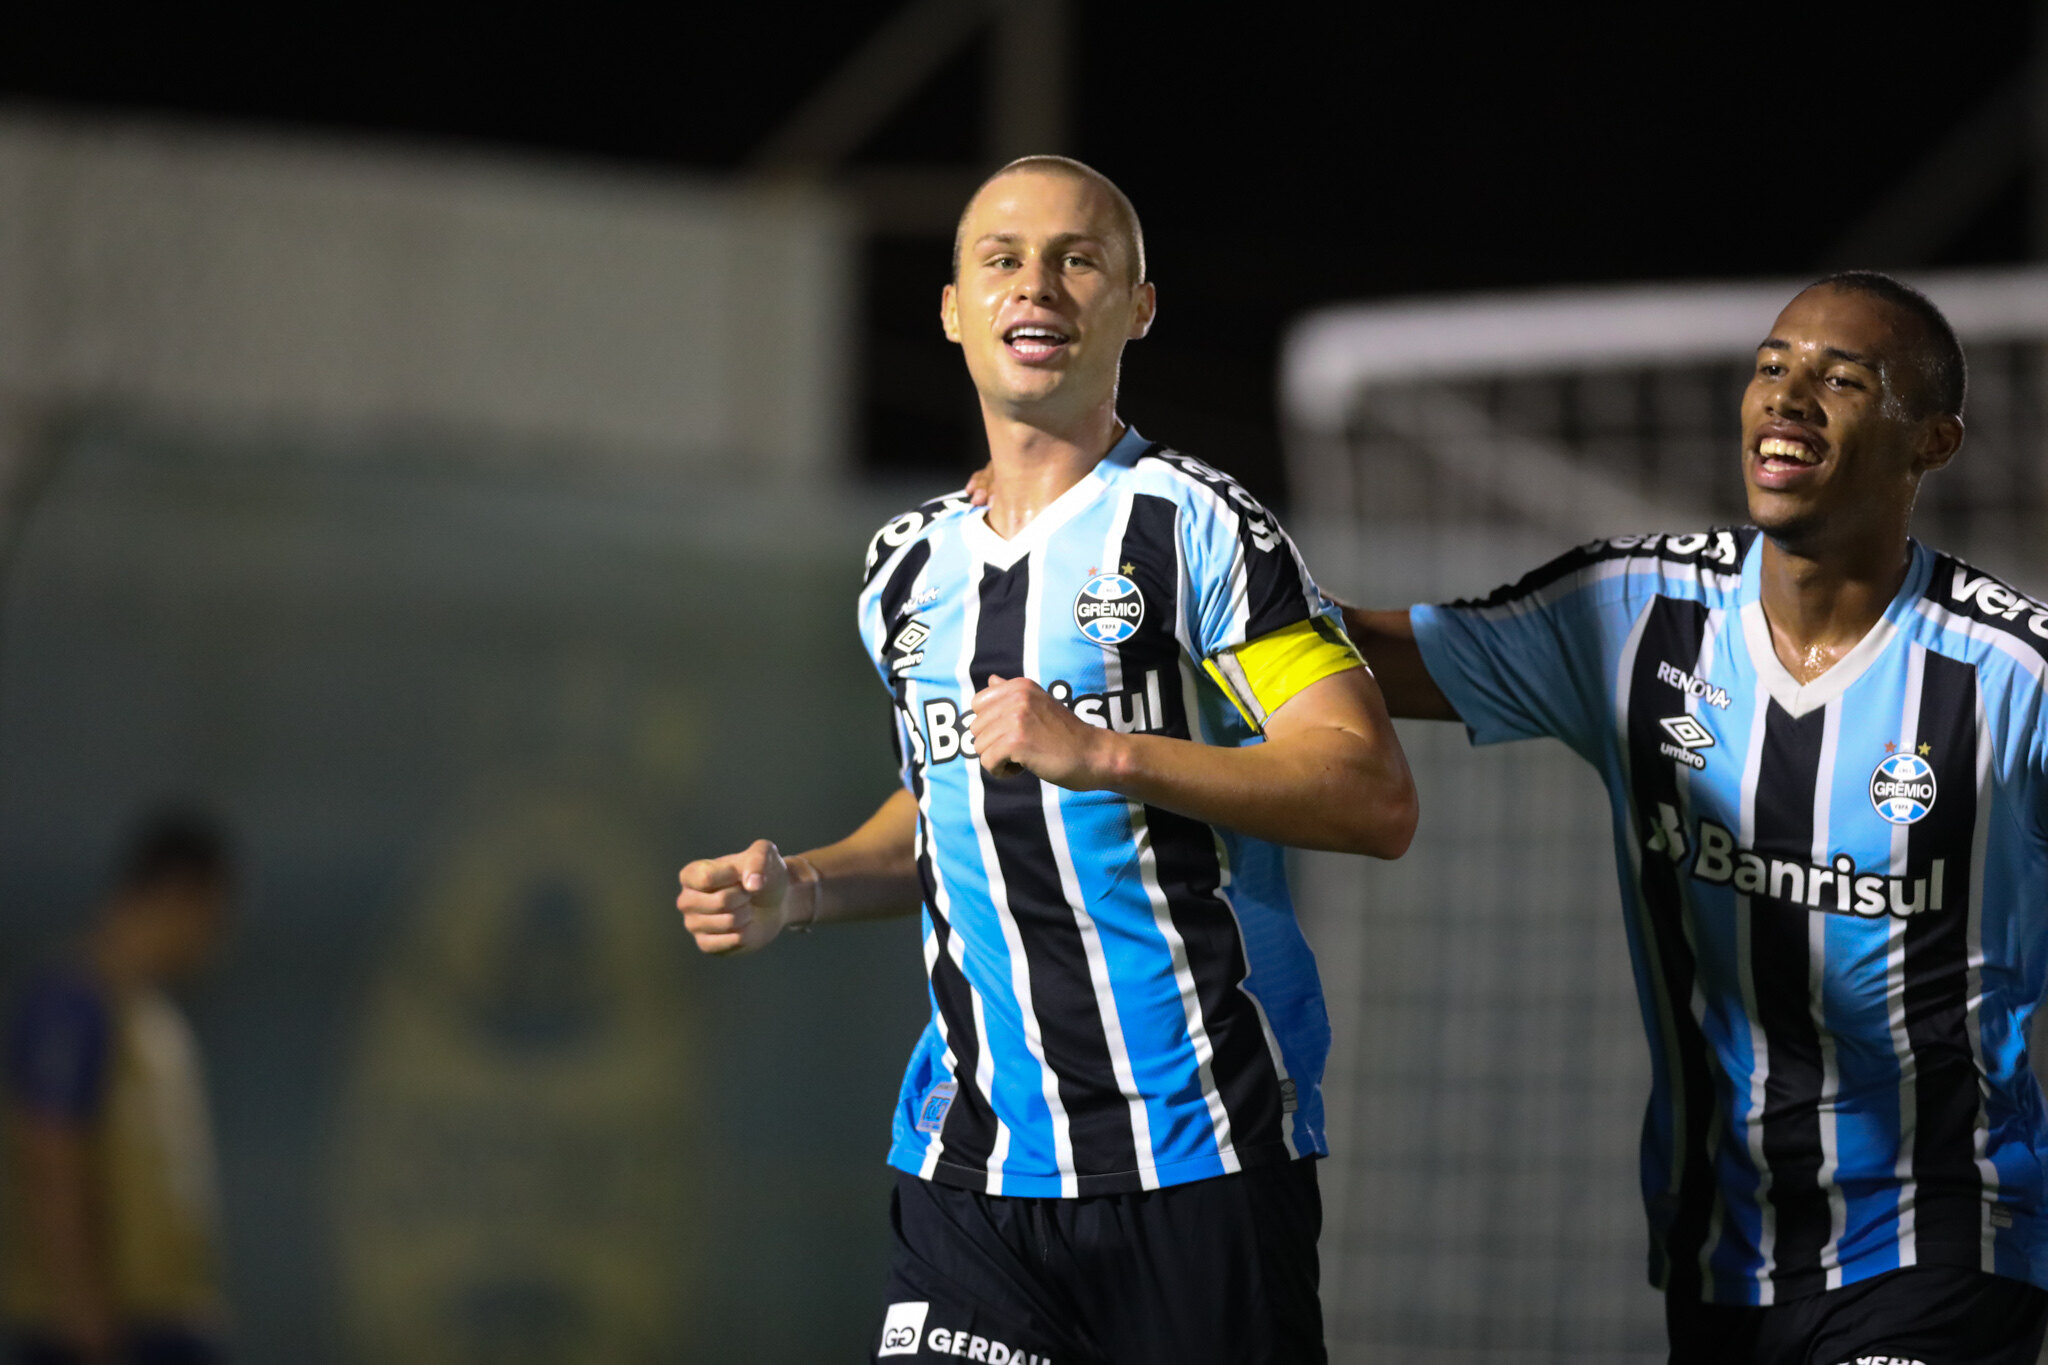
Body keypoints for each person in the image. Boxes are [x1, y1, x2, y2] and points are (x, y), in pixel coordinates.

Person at [677, 156, 1417, 1365]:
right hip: (968, 1166)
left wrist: (1107, 753)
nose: (1039, 286)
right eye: (1002, 260)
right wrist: (800, 888)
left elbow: (1368, 790)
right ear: (954, 310)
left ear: (1137, 306)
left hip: (1195, 1151)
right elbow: (942, 806)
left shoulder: (1202, 529)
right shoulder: (900, 568)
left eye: (1079, 259)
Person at [1340, 273, 2048, 1364]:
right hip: (1717, 1239)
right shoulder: (1631, 615)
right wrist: (1205, 582)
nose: (1788, 395)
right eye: (1771, 366)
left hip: (1947, 1229)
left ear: (1932, 442)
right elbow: (1368, 662)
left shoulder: (2009, 675)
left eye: (1840, 379)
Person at [3, 810, 235, 1365]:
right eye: (213, 917)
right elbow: (52, 1151)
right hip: (108, 1332)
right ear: (178, 896)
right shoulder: (73, 1003)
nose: (215, 942)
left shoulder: (150, 1016)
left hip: (161, 1322)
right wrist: (84, 1312)